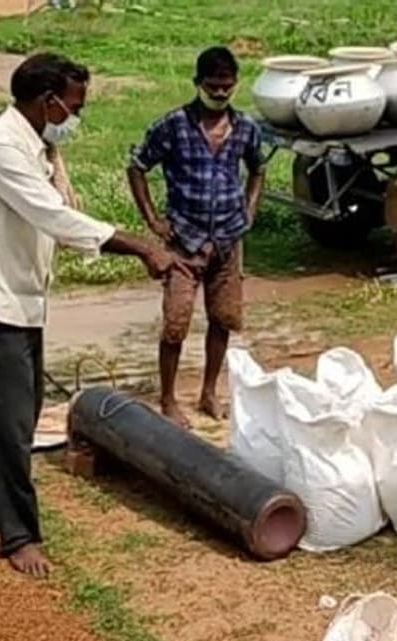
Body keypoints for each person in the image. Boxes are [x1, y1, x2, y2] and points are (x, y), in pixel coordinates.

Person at [0, 52, 184, 578]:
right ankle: (19, 534)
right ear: (48, 101)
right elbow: (52, 216)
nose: (77, 116)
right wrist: (141, 246)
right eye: (75, 106)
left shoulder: (36, 147)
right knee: (10, 423)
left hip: (17, 300)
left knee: (19, 412)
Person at [128, 46, 266, 429]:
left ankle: (209, 393)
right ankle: (169, 399)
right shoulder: (173, 125)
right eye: (212, 86)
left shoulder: (245, 128)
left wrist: (250, 209)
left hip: (228, 239)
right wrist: (153, 220)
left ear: (235, 85)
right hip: (183, 242)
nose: (220, 93)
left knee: (223, 319)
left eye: (226, 86)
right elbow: (137, 167)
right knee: (176, 324)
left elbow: (258, 168)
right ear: (197, 83)